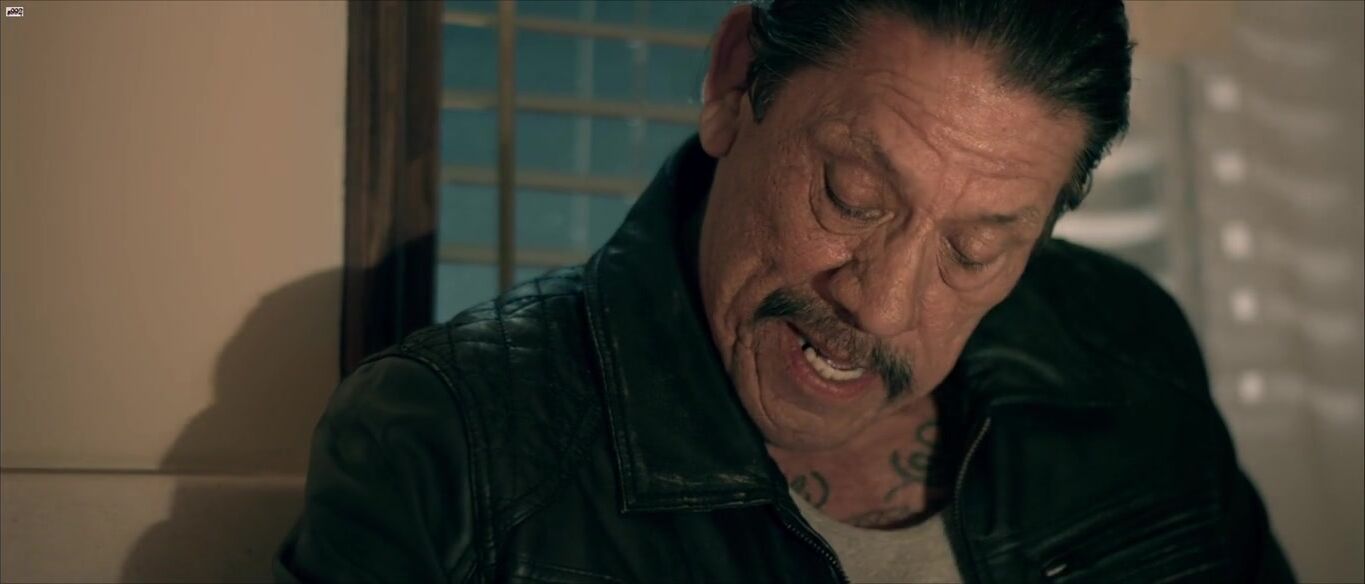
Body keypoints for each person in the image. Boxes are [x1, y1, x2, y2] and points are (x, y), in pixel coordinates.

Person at [276, 1, 1294, 582]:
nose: (881, 305)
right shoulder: (448, 444)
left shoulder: (1126, 343)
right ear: (736, 80)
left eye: (977, 248)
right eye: (853, 196)